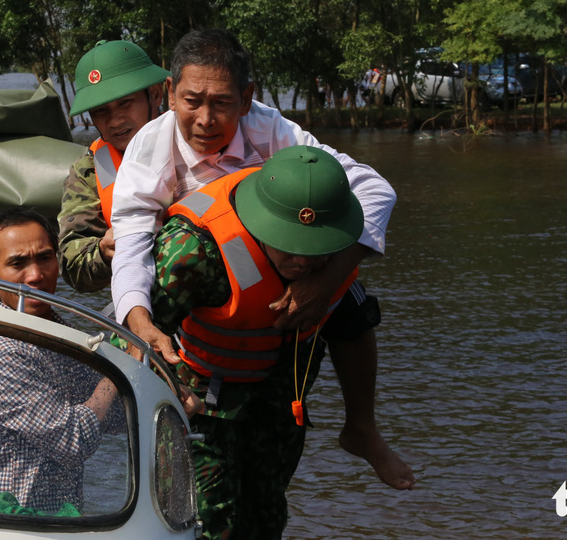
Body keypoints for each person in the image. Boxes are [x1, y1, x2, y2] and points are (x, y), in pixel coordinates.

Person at [110, 28, 414, 491]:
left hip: (284, 260)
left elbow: (374, 190)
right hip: (202, 268)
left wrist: (327, 278)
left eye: (223, 103)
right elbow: (132, 242)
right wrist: (138, 319)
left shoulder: (275, 130)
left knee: (352, 301)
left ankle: (362, 428)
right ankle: (108, 409)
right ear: (169, 93)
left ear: (247, 98)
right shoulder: (150, 148)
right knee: (138, 312)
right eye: (192, 101)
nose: (206, 120)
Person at [149, 146, 385, 538]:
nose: (302, 262)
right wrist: (169, 387)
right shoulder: (194, 252)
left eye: (314, 250)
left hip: (277, 407)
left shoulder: (338, 256)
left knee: (267, 516)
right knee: (207, 521)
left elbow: (355, 327)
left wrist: (363, 425)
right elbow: (138, 335)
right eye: (289, 244)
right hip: (201, 408)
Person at [0, 208, 121, 513]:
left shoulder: (53, 330)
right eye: (17, 263)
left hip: (55, 517)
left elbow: (110, 414)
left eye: (45, 258)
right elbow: (73, 440)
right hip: (14, 520)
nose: (36, 275)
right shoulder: (3, 350)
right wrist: (121, 367)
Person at [58, 39, 168, 293]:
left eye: (124, 103)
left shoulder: (200, 137)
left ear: (155, 94)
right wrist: (103, 252)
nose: (115, 120)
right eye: (100, 111)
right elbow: (72, 265)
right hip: (148, 305)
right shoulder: (89, 171)